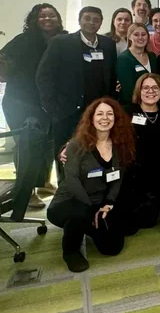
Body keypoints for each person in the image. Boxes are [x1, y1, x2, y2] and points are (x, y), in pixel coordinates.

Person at [0, 3, 64, 215]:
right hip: (21, 103)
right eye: (43, 16)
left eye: (52, 15)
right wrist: (21, 80)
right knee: (27, 148)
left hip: (46, 105)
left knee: (47, 146)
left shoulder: (59, 41)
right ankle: (25, 192)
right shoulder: (23, 41)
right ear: (34, 19)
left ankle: (42, 183)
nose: (48, 19)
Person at [47, 97, 135, 272]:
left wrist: (108, 204)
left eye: (110, 114)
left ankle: (88, 225)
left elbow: (117, 178)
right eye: (100, 114)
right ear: (91, 118)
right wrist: (91, 208)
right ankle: (71, 251)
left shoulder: (119, 145)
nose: (105, 118)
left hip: (99, 203)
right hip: (69, 202)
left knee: (112, 247)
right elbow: (71, 180)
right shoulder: (76, 145)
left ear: (116, 118)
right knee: (79, 213)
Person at [36, 6, 117, 182]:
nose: (91, 22)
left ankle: (91, 197)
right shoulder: (61, 43)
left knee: (94, 157)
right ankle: (66, 197)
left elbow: (111, 78)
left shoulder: (108, 45)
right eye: (87, 18)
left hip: (97, 114)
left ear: (101, 23)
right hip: (67, 113)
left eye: (96, 19)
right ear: (80, 21)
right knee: (66, 158)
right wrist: (52, 108)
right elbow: (44, 76)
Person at [117, 74, 160, 235]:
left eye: (155, 88)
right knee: (129, 227)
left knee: (148, 222)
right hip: (133, 177)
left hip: (159, 178)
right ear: (138, 91)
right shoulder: (127, 112)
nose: (151, 91)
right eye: (146, 88)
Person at [116, 23, 157, 113]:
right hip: (132, 108)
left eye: (143, 34)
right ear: (129, 37)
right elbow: (128, 91)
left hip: (152, 105)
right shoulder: (124, 58)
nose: (140, 37)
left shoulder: (152, 56)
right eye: (136, 34)